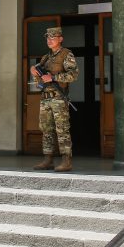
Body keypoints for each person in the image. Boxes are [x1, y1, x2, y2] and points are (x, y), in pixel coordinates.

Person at [30, 26, 78, 172]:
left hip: (58, 98)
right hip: (45, 98)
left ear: (60, 39)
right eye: (47, 38)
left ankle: (66, 160)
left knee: (62, 129)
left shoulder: (66, 54)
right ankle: (48, 159)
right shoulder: (46, 58)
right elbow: (39, 80)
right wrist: (35, 73)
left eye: (53, 37)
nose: (49, 40)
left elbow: (73, 75)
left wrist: (53, 77)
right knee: (46, 130)